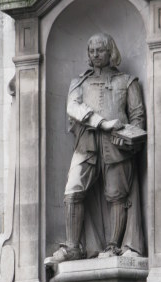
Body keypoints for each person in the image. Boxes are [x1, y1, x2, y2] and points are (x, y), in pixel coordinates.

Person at [45, 33, 145, 266]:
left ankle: (113, 246)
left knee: (116, 194)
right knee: (73, 190)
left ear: (111, 52)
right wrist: (101, 122)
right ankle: (73, 247)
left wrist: (131, 137)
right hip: (87, 143)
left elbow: (138, 116)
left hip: (116, 144)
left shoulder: (128, 82)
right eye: (92, 51)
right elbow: (73, 107)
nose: (95, 54)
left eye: (100, 50)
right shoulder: (80, 82)